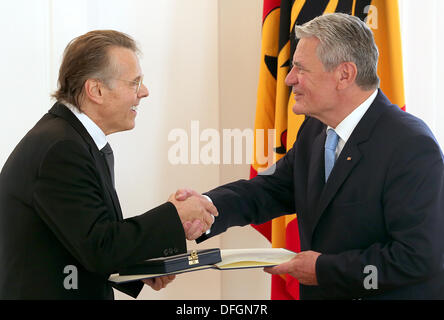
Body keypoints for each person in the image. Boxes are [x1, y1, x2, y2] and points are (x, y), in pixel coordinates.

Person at [177, 13, 444, 299]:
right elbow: (271, 188)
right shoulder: (315, 129)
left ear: (344, 74)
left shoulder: (410, 145)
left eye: (300, 69)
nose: (289, 79)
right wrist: (207, 206)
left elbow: (417, 258)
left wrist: (324, 270)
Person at [0, 30, 217, 299]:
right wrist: (174, 215)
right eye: (134, 83)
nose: (145, 92)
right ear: (96, 90)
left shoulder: (73, 139)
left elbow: (84, 240)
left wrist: (140, 266)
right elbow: (100, 248)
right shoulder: (62, 149)